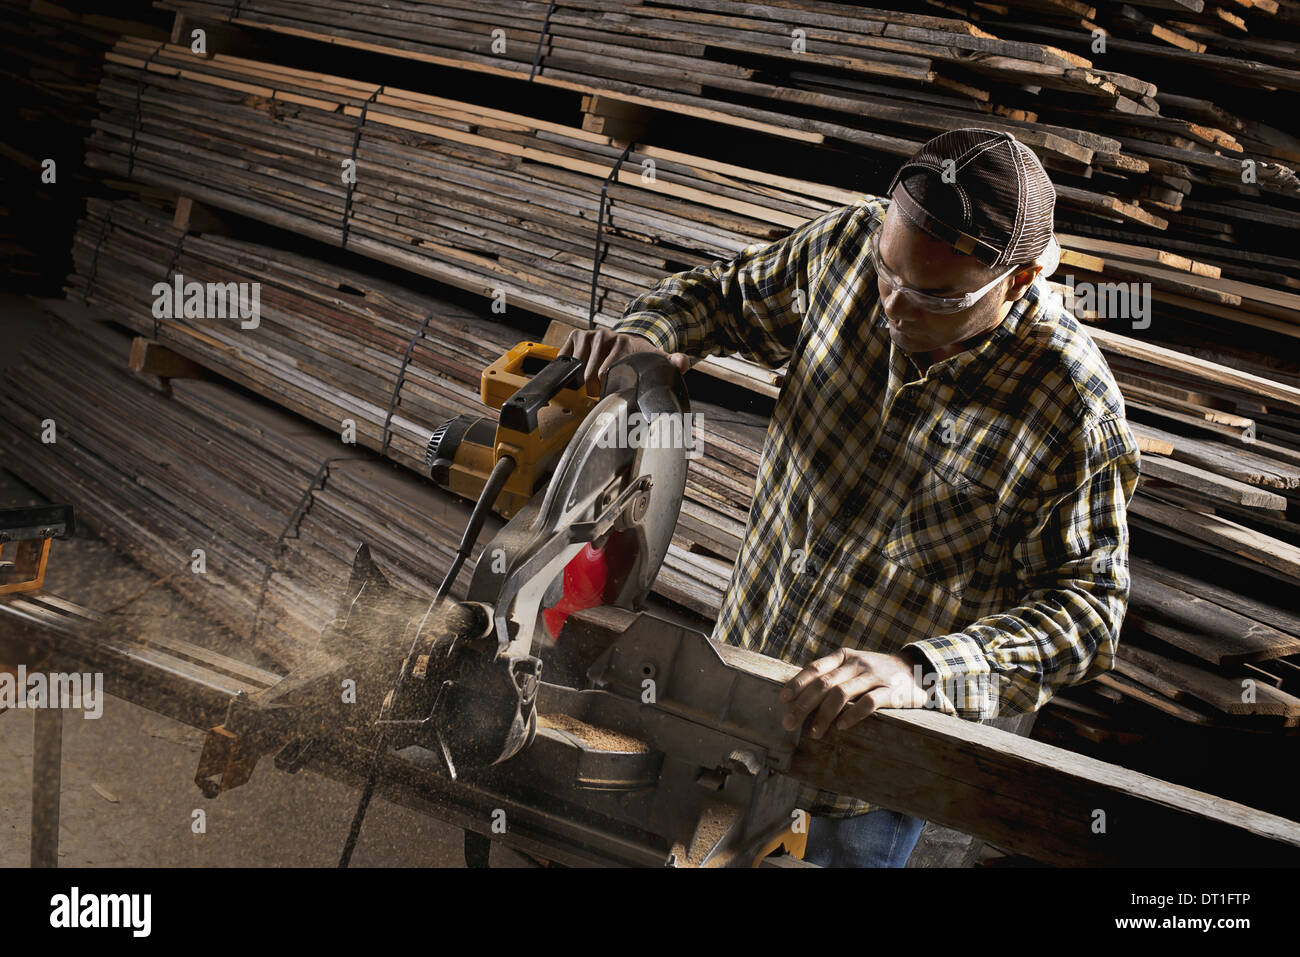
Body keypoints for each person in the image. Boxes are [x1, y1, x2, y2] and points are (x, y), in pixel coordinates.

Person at [561, 128, 1141, 867]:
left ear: (1020, 280)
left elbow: (1088, 614)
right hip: (731, 688)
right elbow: (714, 297)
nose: (893, 306)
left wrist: (922, 671)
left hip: (864, 767)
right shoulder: (844, 250)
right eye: (886, 272)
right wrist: (648, 337)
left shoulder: (1072, 410)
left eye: (932, 294)